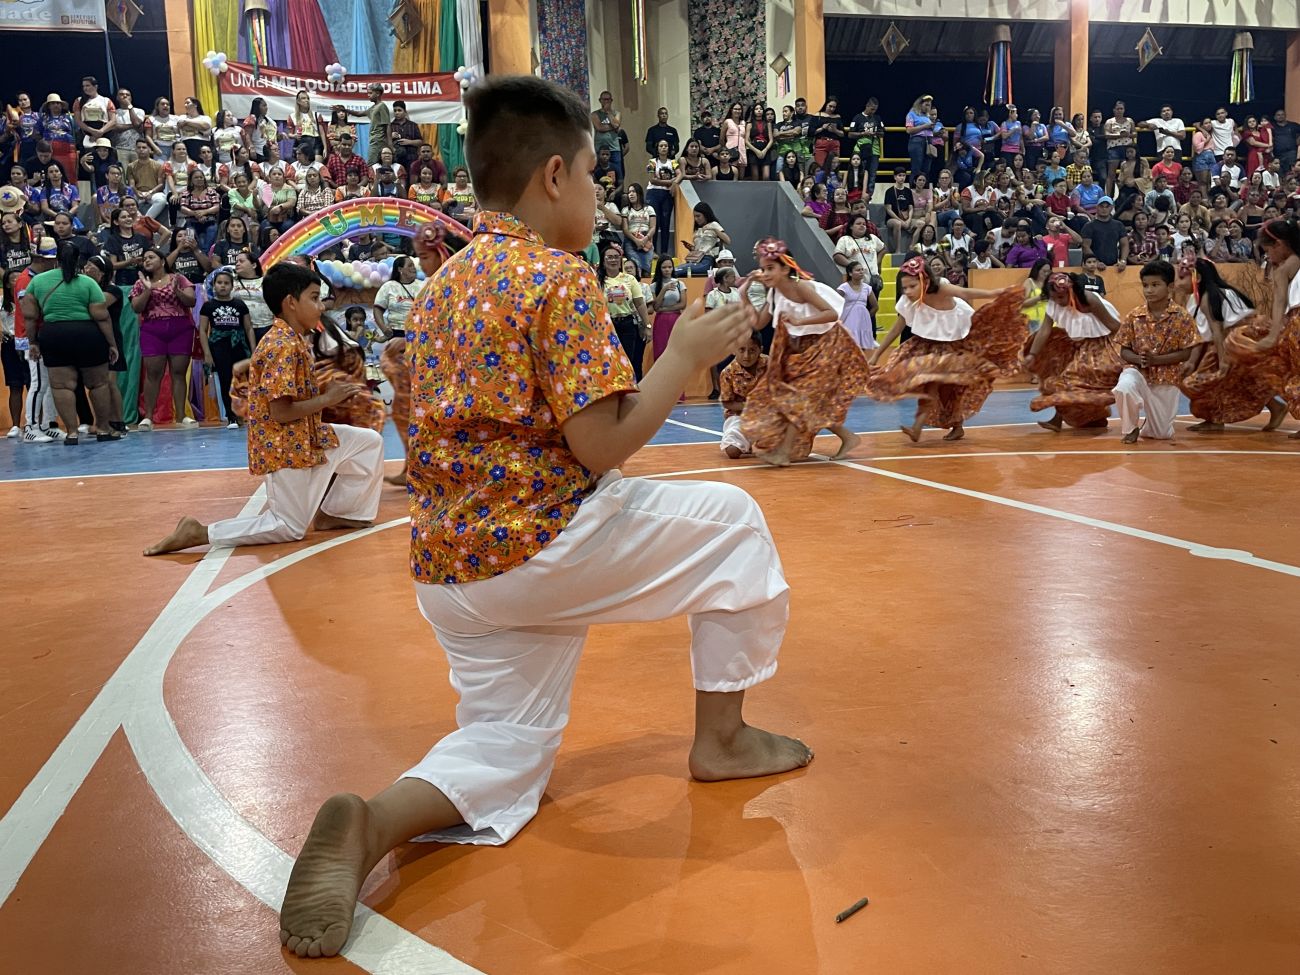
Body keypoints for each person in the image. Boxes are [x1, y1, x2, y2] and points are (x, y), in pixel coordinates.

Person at [274, 75, 806, 961]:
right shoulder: (556, 276)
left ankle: (372, 822)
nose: (598, 193)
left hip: (451, 572)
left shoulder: (440, 287)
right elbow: (602, 445)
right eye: (594, 174)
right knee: (737, 524)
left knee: (506, 743)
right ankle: (723, 739)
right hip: (542, 542)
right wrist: (683, 354)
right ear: (554, 176)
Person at [145, 261, 385, 557]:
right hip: (284, 445)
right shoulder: (282, 345)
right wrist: (327, 399)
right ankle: (201, 532)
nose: (321, 306)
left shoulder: (294, 338)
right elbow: (280, 413)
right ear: (291, 303)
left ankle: (338, 512)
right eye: (314, 297)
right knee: (288, 527)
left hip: (307, 434)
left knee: (368, 444)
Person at [868, 255, 1024, 443]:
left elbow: (966, 293)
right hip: (928, 345)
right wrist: (877, 354)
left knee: (947, 389)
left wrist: (994, 293)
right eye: (904, 288)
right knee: (927, 384)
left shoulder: (942, 287)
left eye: (912, 286)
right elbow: (897, 327)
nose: (907, 291)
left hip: (954, 344)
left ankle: (937, 427)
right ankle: (923, 427)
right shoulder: (909, 300)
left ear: (925, 280)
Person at [739, 238, 868, 464]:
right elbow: (758, 323)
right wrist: (744, 294)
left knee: (799, 398)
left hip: (826, 345)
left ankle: (783, 453)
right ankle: (848, 437)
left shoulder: (801, 287)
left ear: (785, 268)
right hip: (800, 352)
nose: (765, 274)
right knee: (803, 400)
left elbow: (831, 313)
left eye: (770, 268)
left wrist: (801, 321)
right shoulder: (775, 293)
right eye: (763, 269)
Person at [20, 240, 120, 443]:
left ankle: (72, 433)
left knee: (61, 387)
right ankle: (102, 429)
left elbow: (30, 317)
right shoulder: (88, 283)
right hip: (87, 335)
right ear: (78, 260)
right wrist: (112, 344)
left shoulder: (38, 282)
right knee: (98, 384)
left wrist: (33, 343)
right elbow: (102, 317)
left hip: (54, 335)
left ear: (56, 259)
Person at [1177, 257, 1288, 433]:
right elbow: (1203, 335)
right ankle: (1273, 407)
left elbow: (1217, 332)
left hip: (1237, 342)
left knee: (1203, 381)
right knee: (1242, 379)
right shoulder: (1206, 296)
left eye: (1181, 278)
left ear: (1196, 278)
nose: (1178, 283)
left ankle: (1215, 418)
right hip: (1239, 339)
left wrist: (1223, 360)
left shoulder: (1208, 298)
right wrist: (1192, 361)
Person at [1111, 259, 1200, 443]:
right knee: (1124, 388)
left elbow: (1186, 353)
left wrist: (1156, 361)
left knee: (1161, 434)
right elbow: (1124, 351)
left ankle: (1149, 425)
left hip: (1168, 376)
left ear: (1170, 287)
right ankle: (1130, 428)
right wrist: (1140, 359)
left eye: (1155, 285)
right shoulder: (1134, 315)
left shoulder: (1183, 317)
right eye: (1145, 285)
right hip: (1137, 371)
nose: (1149, 290)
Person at [1022, 271, 1123, 430]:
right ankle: (1092, 418)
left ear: (1071, 290)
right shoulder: (1053, 303)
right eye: (1053, 297)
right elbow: (1044, 331)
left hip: (1102, 344)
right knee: (1061, 380)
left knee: (1074, 380)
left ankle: (1075, 418)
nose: (1057, 301)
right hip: (1078, 345)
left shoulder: (1089, 299)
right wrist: (1033, 354)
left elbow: (1115, 327)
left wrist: (1121, 351)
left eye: (1060, 297)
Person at [1230, 218, 1300, 437]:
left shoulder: (1285, 267)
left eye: (1268, 251)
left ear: (1279, 244)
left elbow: (1279, 302)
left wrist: (1273, 334)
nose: (1268, 257)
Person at [130, 248, 197, 428]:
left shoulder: (179, 279)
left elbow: (191, 301)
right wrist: (147, 290)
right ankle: (148, 417)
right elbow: (136, 308)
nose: (146, 260)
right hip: (153, 329)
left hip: (180, 328)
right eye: (144, 258)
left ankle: (181, 416)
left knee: (178, 373)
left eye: (151, 257)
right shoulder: (140, 283)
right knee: (153, 374)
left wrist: (178, 292)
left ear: (162, 261)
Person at [199, 269, 255, 428]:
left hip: (238, 345)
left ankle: (245, 414)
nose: (222, 286)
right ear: (214, 285)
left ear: (232, 286)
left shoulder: (239, 304)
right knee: (225, 380)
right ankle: (231, 416)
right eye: (219, 283)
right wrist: (207, 353)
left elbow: (248, 328)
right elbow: (202, 330)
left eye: (226, 283)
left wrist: (254, 349)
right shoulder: (208, 306)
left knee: (242, 381)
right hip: (219, 346)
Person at [598, 244, 650, 381]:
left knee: (628, 361)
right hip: (607, 326)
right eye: (609, 257)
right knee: (609, 361)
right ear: (603, 261)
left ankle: (629, 388)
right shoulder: (597, 280)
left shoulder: (629, 279)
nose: (613, 260)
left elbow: (640, 303)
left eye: (616, 257)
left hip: (627, 324)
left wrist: (647, 326)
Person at [718, 331, 768, 458]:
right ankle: (745, 441)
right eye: (741, 350)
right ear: (733, 350)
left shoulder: (770, 365)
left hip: (768, 415)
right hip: (739, 416)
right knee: (732, 451)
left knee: (791, 449)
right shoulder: (727, 373)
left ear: (760, 350)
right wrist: (751, 407)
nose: (746, 356)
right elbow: (727, 403)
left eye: (752, 350)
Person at [373, 256, 420, 337]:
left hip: (418, 331)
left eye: (413, 265)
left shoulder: (423, 285)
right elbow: (377, 309)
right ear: (400, 269)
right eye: (410, 265)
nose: (413, 268)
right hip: (396, 332)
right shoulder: (388, 286)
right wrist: (384, 328)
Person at [650, 256, 685, 360]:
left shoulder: (679, 284)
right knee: (661, 349)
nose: (667, 270)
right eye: (664, 267)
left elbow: (683, 304)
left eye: (670, 267)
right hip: (661, 320)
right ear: (659, 269)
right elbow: (656, 307)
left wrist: (664, 309)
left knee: (678, 349)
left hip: (676, 318)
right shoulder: (654, 286)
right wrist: (664, 289)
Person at [837, 261, 877, 350]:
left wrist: (866, 315)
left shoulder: (867, 288)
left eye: (862, 270)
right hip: (848, 319)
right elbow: (835, 302)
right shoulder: (843, 288)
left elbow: (875, 306)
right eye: (858, 270)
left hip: (863, 321)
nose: (861, 272)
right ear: (850, 273)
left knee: (862, 346)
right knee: (849, 344)